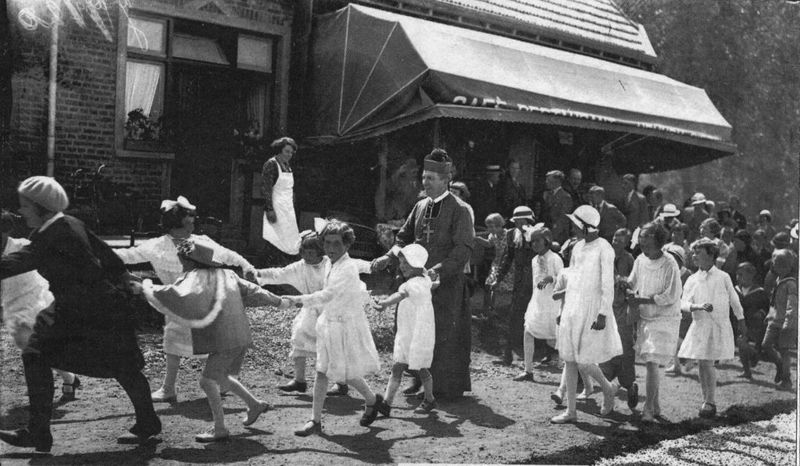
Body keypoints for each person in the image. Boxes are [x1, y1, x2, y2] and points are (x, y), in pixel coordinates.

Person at [0, 176, 159, 453]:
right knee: (39, 354)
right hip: (83, 306)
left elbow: (17, 262)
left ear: (41, 206)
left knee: (122, 366)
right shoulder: (68, 223)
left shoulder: (54, 235)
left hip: (94, 311)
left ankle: (40, 433)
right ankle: (39, 433)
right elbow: (106, 254)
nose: (21, 211)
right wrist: (123, 278)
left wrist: (121, 286)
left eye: (25, 205)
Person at [116, 196, 256, 403]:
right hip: (175, 300)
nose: (193, 223)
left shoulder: (201, 242)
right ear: (177, 223)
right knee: (173, 339)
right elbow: (127, 255)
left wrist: (247, 266)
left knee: (217, 340)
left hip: (203, 299)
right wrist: (95, 250)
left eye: (192, 220)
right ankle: (168, 388)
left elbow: (228, 255)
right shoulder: (156, 246)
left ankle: (221, 380)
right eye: (188, 220)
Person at [139, 240, 282, 442]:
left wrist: (146, 287)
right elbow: (254, 290)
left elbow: (176, 294)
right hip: (238, 334)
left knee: (207, 381)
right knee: (221, 376)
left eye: (181, 258)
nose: (180, 261)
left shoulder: (194, 277)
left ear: (188, 260)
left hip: (223, 337)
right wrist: (279, 301)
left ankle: (220, 428)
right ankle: (254, 404)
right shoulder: (227, 274)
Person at [372, 149, 474, 399]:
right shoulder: (419, 206)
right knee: (413, 330)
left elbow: (463, 249)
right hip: (416, 283)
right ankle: (417, 378)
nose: (425, 182)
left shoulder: (460, 209)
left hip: (444, 284)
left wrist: (437, 271)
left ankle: (442, 386)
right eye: (424, 177)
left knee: (440, 333)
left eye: (431, 178)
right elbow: (403, 238)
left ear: (445, 180)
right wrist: (389, 256)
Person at [289, 220, 387, 436]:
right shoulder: (330, 263)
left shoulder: (348, 268)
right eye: (327, 243)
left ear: (347, 244)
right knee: (323, 371)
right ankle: (315, 421)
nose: (331, 248)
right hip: (328, 323)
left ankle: (372, 400)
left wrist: (297, 300)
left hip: (344, 327)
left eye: (336, 243)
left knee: (346, 373)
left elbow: (328, 294)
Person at [257, 229, 373, 397]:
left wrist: (372, 265)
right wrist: (258, 273)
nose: (307, 256)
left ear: (320, 251)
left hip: (332, 311)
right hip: (311, 308)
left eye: (311, 252)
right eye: (304, 252)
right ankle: (299, 380)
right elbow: (279, 273)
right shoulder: (299, 267)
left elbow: (355, 264)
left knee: (334, 346)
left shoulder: (331, 263)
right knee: (299, 336)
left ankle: (341, 383)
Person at [550, 205, 622, 424]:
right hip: (573, 307)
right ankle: (571, 411)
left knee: (584, 361)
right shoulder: (577, 247)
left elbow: (607, 284)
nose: (573, 229)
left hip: (592, 310)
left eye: (576, 225)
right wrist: (563, 309)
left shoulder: (604, 248)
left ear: (586, 226)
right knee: (570, 360)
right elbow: (572, 280)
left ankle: (608, 388)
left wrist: (603, 313)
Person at [1, 211, 79, 402]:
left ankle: (46, 387)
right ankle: (68, 378)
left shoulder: (22, 246)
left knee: (36, 347)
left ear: (5, 230)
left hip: (38, 300)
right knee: (29, 346)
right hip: (13, 306)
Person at [678, 238, 747, 419]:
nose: (694, 256)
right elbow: (683, 303)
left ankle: (710, 401)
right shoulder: (692, 279)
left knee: (707, 363)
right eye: (693, 253)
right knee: (702, 363)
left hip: (717, 325)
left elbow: (734, 300)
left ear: (711, 255)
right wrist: (697, 306)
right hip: (700, 325)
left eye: (698, 253)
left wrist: (741, 320)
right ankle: (707, 400)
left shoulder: (723, 277)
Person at [624, 223, 682, 422]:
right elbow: (632, 282)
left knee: (651, 361)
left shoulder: (670, 263)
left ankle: (648, 408)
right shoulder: (640, 260)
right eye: (641, 245)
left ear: (658, 242)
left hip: (665, 318)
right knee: (651, 361)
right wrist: (625, 288)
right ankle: (655, 406)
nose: (644, 249)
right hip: (645, 317)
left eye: (647, 245)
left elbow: (671, 295)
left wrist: (642, 299)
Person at [376, 244, 437, 413]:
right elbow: (432, 283)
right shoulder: (425, 280)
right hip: (409, 329)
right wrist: (434, 280)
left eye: (407, 264)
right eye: (401, 263)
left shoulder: (411, 284)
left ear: (417, 265)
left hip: (417, 332)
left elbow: (400, 295)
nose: (402, 267)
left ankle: (430, 399)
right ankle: (387, 403)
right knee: (399, 365)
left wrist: (385, 303)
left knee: (420, 367)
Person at [515, 225, 563, 382]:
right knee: (528, 331)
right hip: (538, 302)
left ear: (546, 241)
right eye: (532, 241)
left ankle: (574, 371)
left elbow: (563, 280)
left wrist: (551, 278)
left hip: (552, 304)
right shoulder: (534, 260)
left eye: (538, 241)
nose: (534, 244)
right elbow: (536, 283)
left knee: (556, 339)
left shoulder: (555, 258)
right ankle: (528, 370)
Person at [599, 228, 637, 410]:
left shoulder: (629, 259)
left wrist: (623, 281)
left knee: (624, 349)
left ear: (627, 243)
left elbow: (634, 282)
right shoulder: (606, 256)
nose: (615, 243)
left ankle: (629, 385)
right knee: (605, 348)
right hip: (606, 307)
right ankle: (608, 392)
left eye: (620, 241)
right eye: (614, 239)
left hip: (622, 309)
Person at [494, 206, 536, 366]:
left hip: (534, 279)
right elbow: (508, 257)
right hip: (520, 281)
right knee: (513, 316)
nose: (518, 224)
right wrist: (498, 277)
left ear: (528, 220)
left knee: (536, 315)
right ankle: (508, 355)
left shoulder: (536, 234)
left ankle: (545, 353)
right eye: (516, 221)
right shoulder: (512, 234)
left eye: (521, 221)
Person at [761, 249, 797, 390]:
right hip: (774, 319)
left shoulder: (791, 284)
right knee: (766, 345)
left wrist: (788, 322)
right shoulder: (778, 280)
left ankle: (786, 379)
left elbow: (792, 305)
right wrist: (769, 315)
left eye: (778, 264)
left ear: (787, 266)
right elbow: (774, 302)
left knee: (784, 350)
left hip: (785, 322)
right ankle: (780, 365)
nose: (774, 266)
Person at [262, 137, 301, 262]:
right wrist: (269, 209)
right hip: (276, 207)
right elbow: (266, 188)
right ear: (279, 150)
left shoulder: (287, 166)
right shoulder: (271, 164)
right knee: (274, 239)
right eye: (286, 151)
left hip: (287, 208)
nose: (289, 155)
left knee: (289, 240)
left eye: (291, 153)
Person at [734, 262, 769, 379]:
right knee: (741, 347)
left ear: (751, 275)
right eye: (737, 274)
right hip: (740, 323)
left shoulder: (759, 291)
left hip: (754, 324)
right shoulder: (735, 290)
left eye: (741, 274)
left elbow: (766, 307)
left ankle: (755, 354)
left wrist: (761, 313)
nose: (738, 277)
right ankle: (747, 371)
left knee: (742, 343)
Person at [477, 213, 513, 323]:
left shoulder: (508, 234)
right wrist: (478, 239)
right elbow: (489, 244)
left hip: (507, 263)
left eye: (493, 227)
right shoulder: (492, 236)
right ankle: (488, 309)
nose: (490, 229)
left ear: (500, 225)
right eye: (488, 227)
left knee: (503, 287)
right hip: (496, 262)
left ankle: (500, 311)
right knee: (488, 284)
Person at [663, 244, 693, 376]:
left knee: (680, 338)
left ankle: (691, 358)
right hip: (670, 310)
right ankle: (676, 365)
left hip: (685, 312)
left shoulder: (688, 275)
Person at [543, 170, 573, 245]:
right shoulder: (548, 195)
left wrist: (552, 237)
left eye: (549, 180)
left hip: (558, 236)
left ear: (557, 181)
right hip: (547, 233)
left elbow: (563, 219)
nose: (546, 182)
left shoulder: (565, 197)